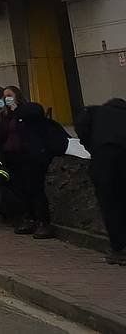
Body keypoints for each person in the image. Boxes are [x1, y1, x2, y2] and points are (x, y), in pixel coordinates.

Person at [0, 86, 61, 239]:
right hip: (12, 156)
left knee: (35, 189)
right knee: (21, 190)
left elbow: (36, 119)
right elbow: (0, 135)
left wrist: (16, 110)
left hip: (30, 157)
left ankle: (43, 222)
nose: (6, 98)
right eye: (4, 96)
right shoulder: (3, 116)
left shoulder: (27, 111)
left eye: (9, 95)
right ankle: (28, 218)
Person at [75, 97, 126, 265]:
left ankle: (119, 249)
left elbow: (81, 127)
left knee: (110, 204)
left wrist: (92, 146)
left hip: (104, 161)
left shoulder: (94, 111)